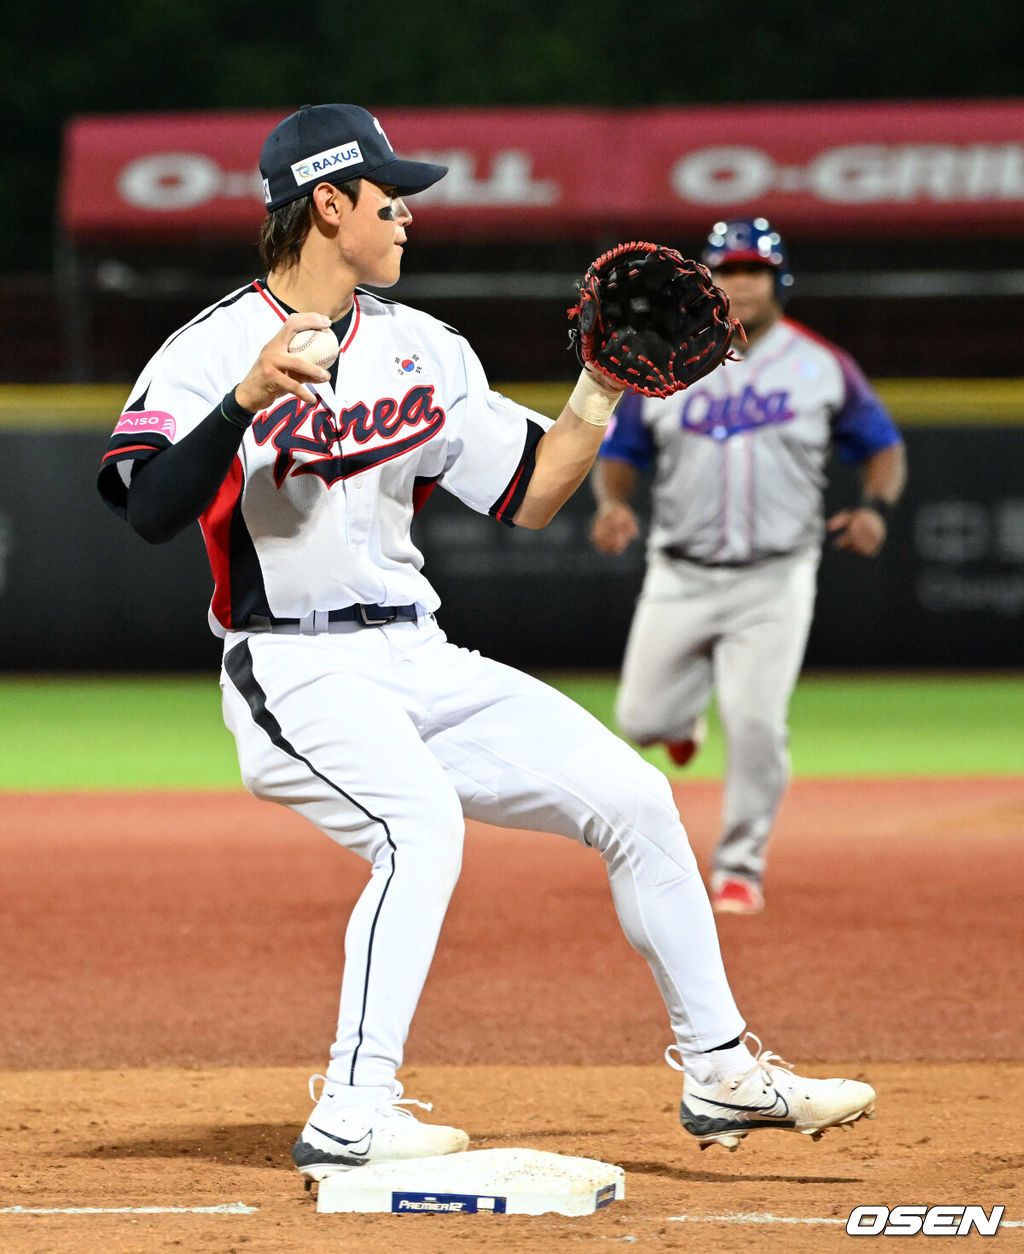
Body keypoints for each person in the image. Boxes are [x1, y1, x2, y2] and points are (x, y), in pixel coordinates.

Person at [98, 114, 876, 1184]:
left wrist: (598, 391)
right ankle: (352, 1110)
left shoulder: (423, 347)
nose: (407, 211)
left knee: (638, 801)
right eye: (388, 196)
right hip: (291, 664)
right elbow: (145, 509)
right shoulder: (208, 351)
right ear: (329, 204)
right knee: (416, 827)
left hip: (419, 656)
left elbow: (533, 491)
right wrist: (244, 400)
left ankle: (720, 1069)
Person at [590, 216, 907, 917]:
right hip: (680, 573)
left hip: (777, 575)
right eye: (727, 270)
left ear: (777, 280)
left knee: (758, 721)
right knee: (639, 719)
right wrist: (614, 504)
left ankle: (739, 865)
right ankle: (681, 724)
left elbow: (881, 444)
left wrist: (875, 506)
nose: (740, 282)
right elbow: (620, 455)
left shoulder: (821, 365)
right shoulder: (668, 362)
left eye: (753, 270)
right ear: (706, 283)